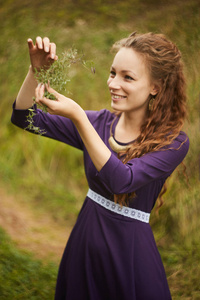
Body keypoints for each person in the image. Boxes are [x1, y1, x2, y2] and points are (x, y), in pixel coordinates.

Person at [11, 32, 189, 300]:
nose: (113, 83)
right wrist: (34, 71)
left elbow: (122, 181)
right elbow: (24, 117)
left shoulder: (173, 142)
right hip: (86, 240)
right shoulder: (99, 124)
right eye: (112, 73)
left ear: (156, 87)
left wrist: (79, 118)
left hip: (129, 253)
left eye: (127, 77)